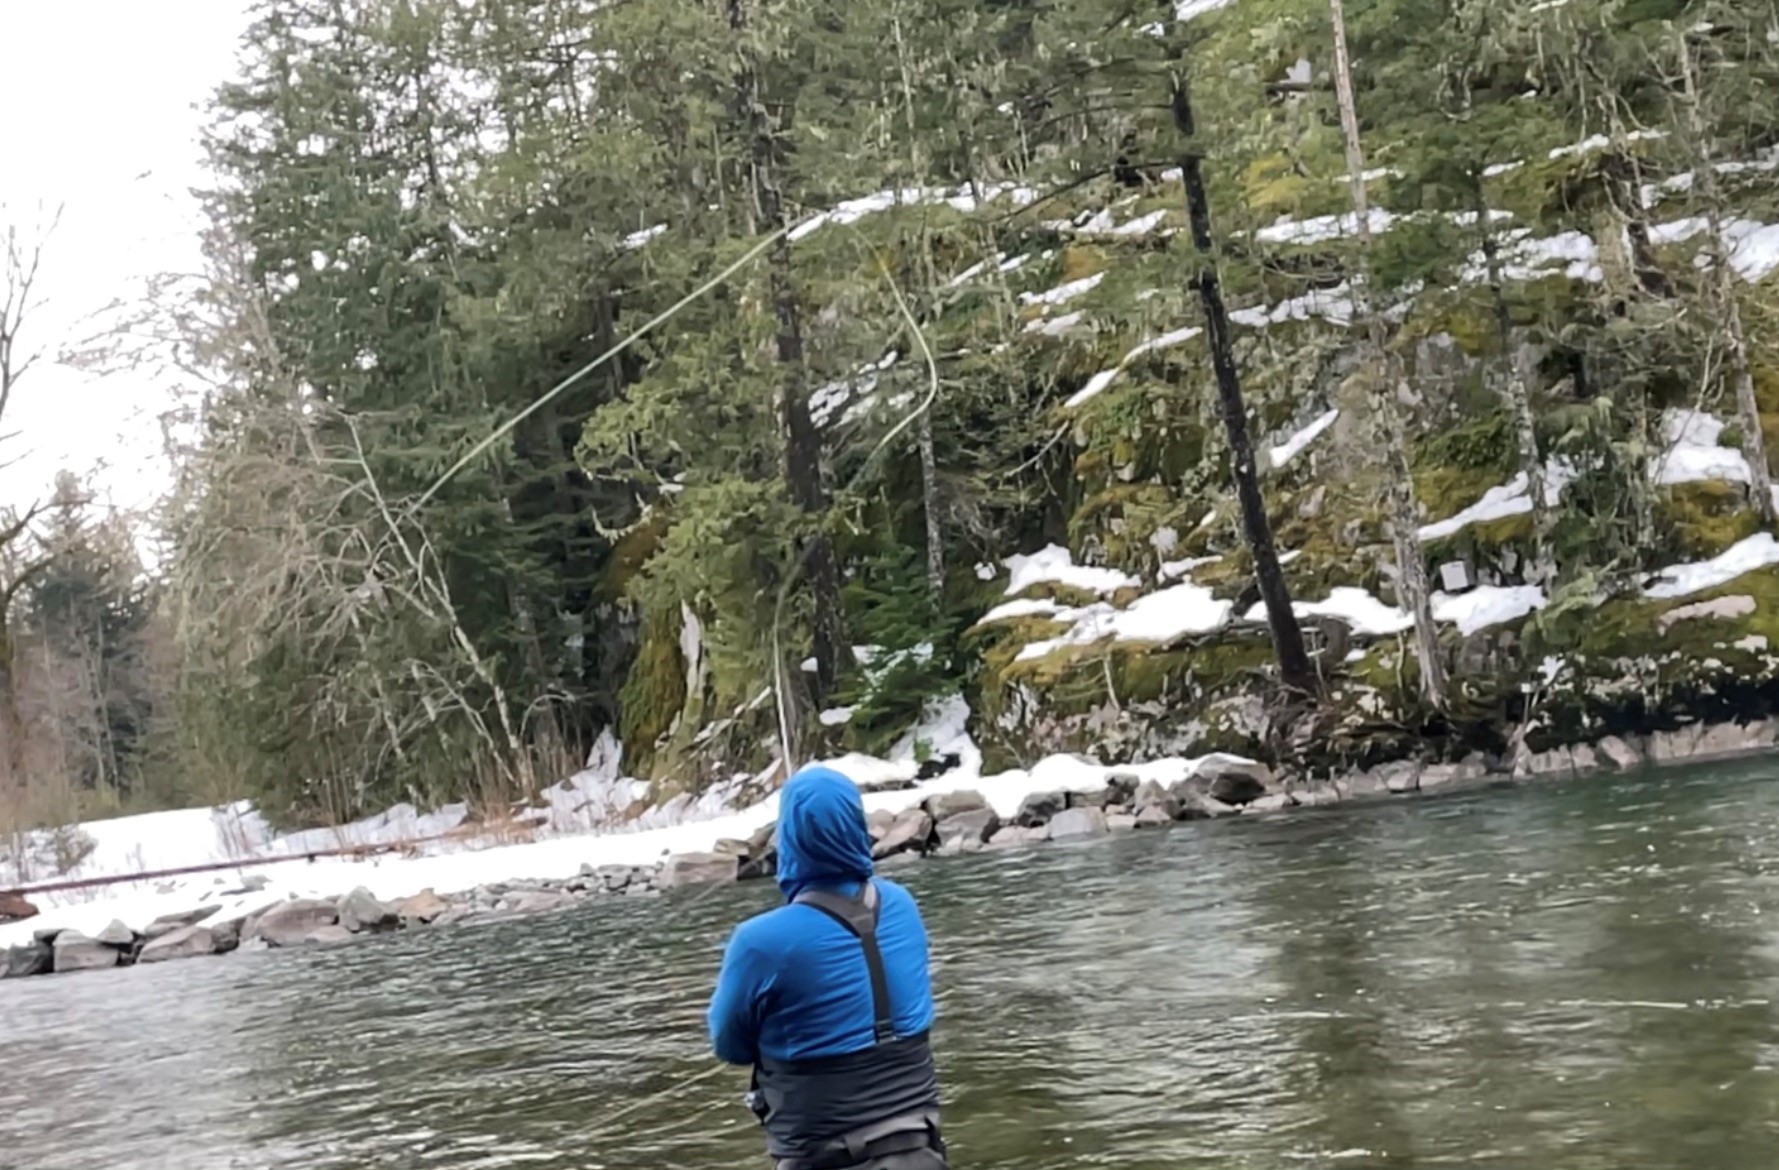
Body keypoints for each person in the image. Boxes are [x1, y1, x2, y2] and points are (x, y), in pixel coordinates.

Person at [708, 764, 947, 1170]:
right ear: (856, 825)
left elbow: (728, 1044)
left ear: (791, 838)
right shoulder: (903, 905)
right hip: (920, 1152)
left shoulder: (759, 942)